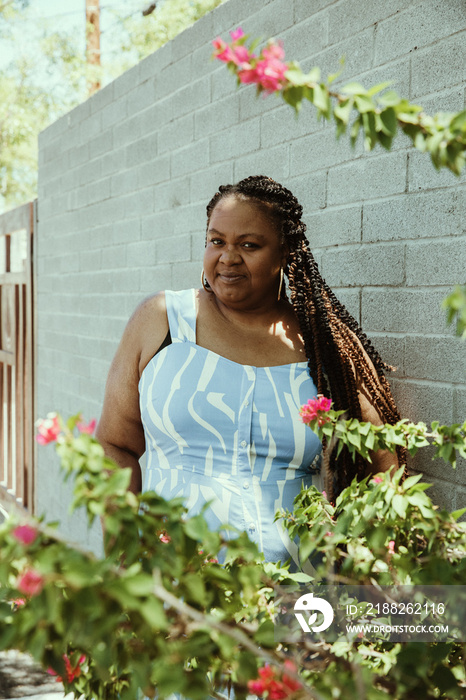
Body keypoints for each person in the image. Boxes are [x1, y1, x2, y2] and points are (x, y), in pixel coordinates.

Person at [96, 175, 404, 569]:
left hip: (295, 595)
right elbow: (114, 446)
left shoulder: (323, 345)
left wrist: (369, 569)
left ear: (285, 253)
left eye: (249, 245)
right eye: (216, 241)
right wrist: (122, 557)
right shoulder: (163, 322)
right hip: (172, 587)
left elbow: (381, 467)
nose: (227, 257)